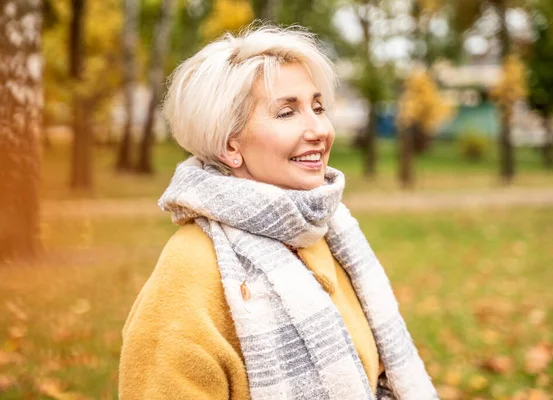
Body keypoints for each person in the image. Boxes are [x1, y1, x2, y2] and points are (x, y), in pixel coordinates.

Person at [118, 24, 438, 400]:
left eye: (318, 108)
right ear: (229, 146)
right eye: (287, 113)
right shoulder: (191, 269)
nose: (319, 128)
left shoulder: (324, 236)